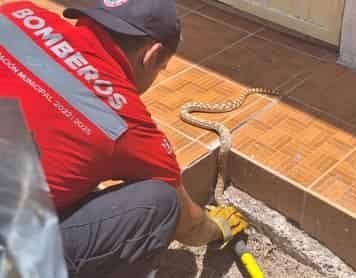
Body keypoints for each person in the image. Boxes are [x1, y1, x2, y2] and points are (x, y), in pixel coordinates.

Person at [0, 0, 248, 277]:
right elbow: (189, 227)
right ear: (153, 56)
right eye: (161, 67)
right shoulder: (127, 125)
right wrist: (217, 228)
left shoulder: (14, 13)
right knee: (159, 203)